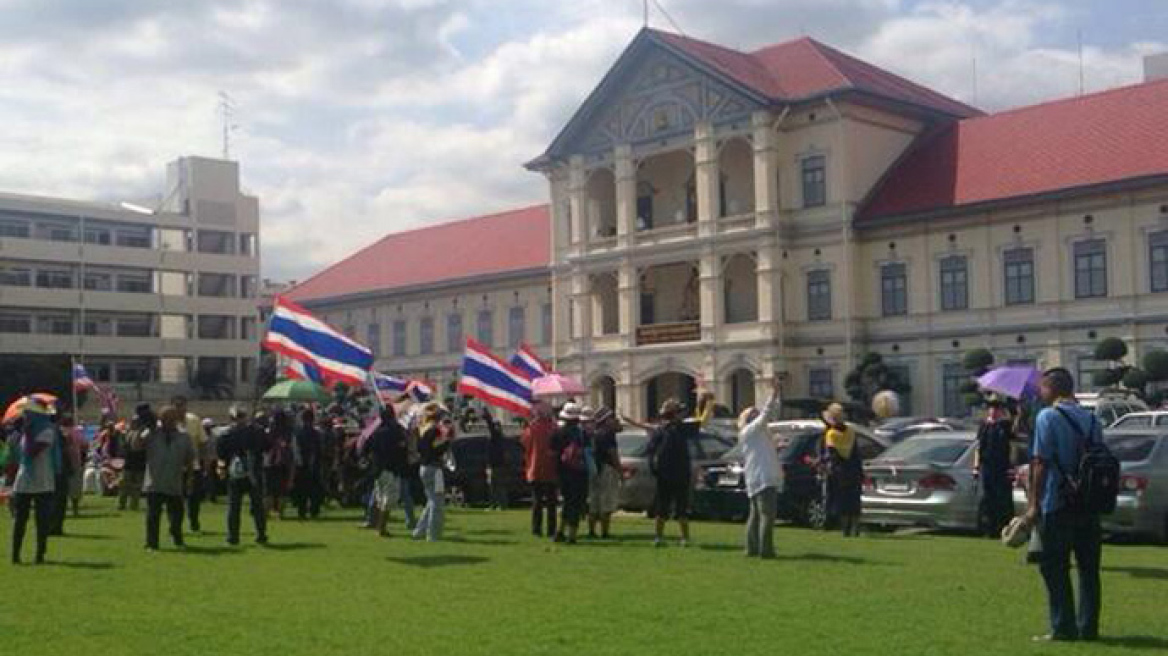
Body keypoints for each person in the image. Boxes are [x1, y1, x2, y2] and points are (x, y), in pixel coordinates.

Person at [1021, 368, 1103, 643]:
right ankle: (1088, 627)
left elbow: (1040, 462)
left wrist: (1033, 505)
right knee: (1089, 570)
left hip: (1058, 501)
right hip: (1089, 504)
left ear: (1052, 389)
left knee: (1054, 566)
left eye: (1042, 388)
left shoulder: (1049, 416)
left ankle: (1062, 627)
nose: (1040, 393)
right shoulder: (1092, 419)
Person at [133, 405, 196, 551]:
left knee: (176, 516)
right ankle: (151, 544)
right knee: (153, 516)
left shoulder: (184, 437)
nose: (169, 421)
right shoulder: (152, 433)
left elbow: (190, 459)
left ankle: (177, 539)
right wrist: (141, 428)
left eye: (172, 418)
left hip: (174, 482)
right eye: (166, 418)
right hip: (154, 482)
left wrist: (190, 478)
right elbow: (136, 446)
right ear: (160, 419)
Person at [738, 377, 784, 558]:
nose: (757, 415)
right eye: (753, 414)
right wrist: (773, 393)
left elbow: (769, 414)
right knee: (767, 515)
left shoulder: (756, 433)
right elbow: (767, 412)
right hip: (763, 476)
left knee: (756, 514)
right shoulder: (751, 430)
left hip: (758, 476)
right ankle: (766, 550)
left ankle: (752, 547)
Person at [10, 401, 60, 564]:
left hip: (43, 480)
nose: (24, 417)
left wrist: (28, 434)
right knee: (19, 519)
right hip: (24, 479)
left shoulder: (47, 431)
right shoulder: (26, 432)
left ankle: (40, 554)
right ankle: (15, 554)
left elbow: (32, 452)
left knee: (42, 520)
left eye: (27, 414)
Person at [218, 406, 269, 545]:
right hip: (253, 472)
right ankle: (261, 534)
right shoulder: (257, 431)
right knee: (257, 506)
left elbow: (221, 455)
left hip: (237, 473)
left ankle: (233, 537)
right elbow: (266, 447)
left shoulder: (226, 434)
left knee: (234, 507)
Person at [645, 399, 694, 547]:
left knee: (677, 507)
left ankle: (675, 537)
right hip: (671, 474)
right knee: (666, 507)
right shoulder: (669, 430)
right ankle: (666, 537)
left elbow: (650, 451)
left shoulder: (672, 429)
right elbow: (651, 451)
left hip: (671, 473)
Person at [975, 397, 1016, 537]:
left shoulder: (1005, 425)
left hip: (1002, 466)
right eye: (991, 409)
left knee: (1003, 498)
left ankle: (1003, 527)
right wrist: (976, 466)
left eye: (996, 409)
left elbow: (1013, 442)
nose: (993, 412)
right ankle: (989, 528)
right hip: (987, 466)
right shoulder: (984, 426)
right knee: (988, 498)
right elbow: (979, 447)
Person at [822, 402, 862, 537]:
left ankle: (845, 530)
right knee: (854, 501)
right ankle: (855, 528)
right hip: (854, 470)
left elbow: (832, 455)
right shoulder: (851, 432)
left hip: (840, 472)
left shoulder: (831, 434)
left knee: (842, 502)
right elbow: (856, 453)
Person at [413, 405, 452, 541]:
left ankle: (420, 530)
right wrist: (447, 441)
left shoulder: (421, 429)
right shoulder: (434, 431)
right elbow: (435, 450)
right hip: (435, 468)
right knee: (437, 503)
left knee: (431, 500)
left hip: (424, 467)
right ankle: (433, 534)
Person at [552, 403, 590, 544]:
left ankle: (560, 531)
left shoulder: (558, 432)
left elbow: (551, 452)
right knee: (576, 503)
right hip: (579, 472)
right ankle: (572, 534)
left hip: (562, 472)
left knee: (565, 502)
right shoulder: (582, 434)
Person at [522, 401, 559, 539]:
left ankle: (536, 529)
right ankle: (551, 529)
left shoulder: (532, 428)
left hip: (535, 468)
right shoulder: (554, 428)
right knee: (551, 503)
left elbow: (524, 444)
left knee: (537, 501)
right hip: (551, 469)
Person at [172, 397, 207, 533]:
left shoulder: (194, 420)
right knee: (175, 498)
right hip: (175, 467)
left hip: (194, 465)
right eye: (177, 406)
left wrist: (203, 461)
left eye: (182, 406)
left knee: (193, 497)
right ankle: (175, 524)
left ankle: (193, 520)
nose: (180, 409)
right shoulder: (168, 423)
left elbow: (203, 441)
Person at [587, 408, 622, 539]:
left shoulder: (595, 433)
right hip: (607, 469)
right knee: (606, 502)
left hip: (595, 469)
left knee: (594, 501)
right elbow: (613, 454)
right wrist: (620, 470)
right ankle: (604, 531)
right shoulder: (608, 434)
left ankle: (592, 530)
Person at [291, 408, 324, 520]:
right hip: (314, 465)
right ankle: (314, 510)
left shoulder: (298, 433)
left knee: (301, 490)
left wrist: (298, 463)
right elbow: (319, 449)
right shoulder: (317, 433)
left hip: (301, 465)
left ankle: (302, 511)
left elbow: (296, 450)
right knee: (314, 490)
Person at [119, 404, 152, 512]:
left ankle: (134, 504)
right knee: (124, 483)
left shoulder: (144, 432)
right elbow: (125, 446)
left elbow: (142, 444)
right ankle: (122, 504)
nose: (134, 423)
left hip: (139, 459)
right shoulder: (128, 432)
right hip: (129, 460)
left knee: (136, 485)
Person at [263, 409, 293, 519]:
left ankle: (266, 513)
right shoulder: (288, 432)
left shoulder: (268, 431)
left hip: (268, 462)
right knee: (282, 490)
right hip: (284, 463)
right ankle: (280, 513)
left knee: (268, 490)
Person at [483, 410, 511, 510]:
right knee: (494, 487)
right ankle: (497, 504)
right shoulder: (499, 438)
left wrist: (487, 416)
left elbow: (490, 426)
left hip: (496, 465)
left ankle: (500, 504)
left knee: (497, 486)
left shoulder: (496, 436)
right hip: (494, 465)